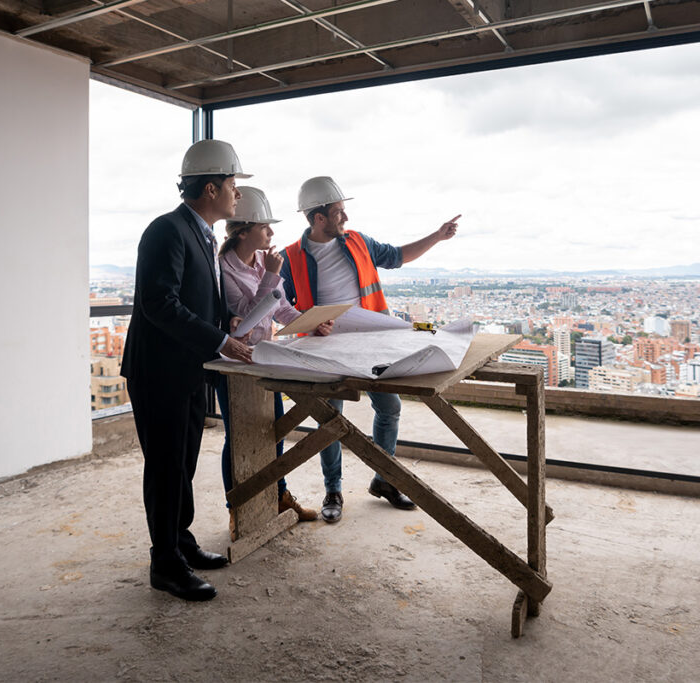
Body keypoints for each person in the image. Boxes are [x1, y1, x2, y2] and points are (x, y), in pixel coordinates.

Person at [280, 176, 460, 523]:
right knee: (329, 420)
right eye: (338, 212)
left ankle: (384, 479)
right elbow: (281, 306)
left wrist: (437, 236)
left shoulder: (359, 242)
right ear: (318, 218)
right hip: (324, 348)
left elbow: (397, 256)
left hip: (373, 341)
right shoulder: (290, 257)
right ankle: (333, 489)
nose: (344, 218)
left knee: (389, 407)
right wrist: (308, 322)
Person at [121, 139, 254, 602]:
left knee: (183, 462)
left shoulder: (201, 233)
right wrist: (220, 340)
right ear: (212, 188)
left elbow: (194, 299)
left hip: (188, 368)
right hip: (158, 371)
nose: (238, 194)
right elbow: (159, 303)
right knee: (166, 466)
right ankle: (165, 565)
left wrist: (225, 321)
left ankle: (180, 541)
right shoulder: (167, 230)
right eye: (235, 185)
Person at [215, 186, 330, 532]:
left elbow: (279, 308)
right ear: (244, 230)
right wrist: (269, 276)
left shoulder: (266, 261)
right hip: (235, 362)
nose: (272, 233)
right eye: (266, 227)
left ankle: (279, 497)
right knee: (237, 438)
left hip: (265, 357)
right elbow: (246, 316)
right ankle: (237, 507)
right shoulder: (224, 268)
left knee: (274, 431)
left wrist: (309, 322)